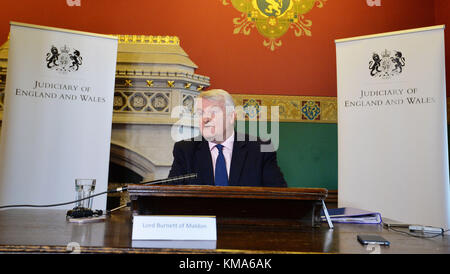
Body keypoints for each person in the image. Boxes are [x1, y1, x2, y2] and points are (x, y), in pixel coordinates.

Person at [168, 89, 287, 187]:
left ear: (231, 117)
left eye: (213, 112)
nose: (205, 118)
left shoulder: (260, 149)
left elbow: (278, 197)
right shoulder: (185, 150)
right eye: (200, 113)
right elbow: (171, 196)